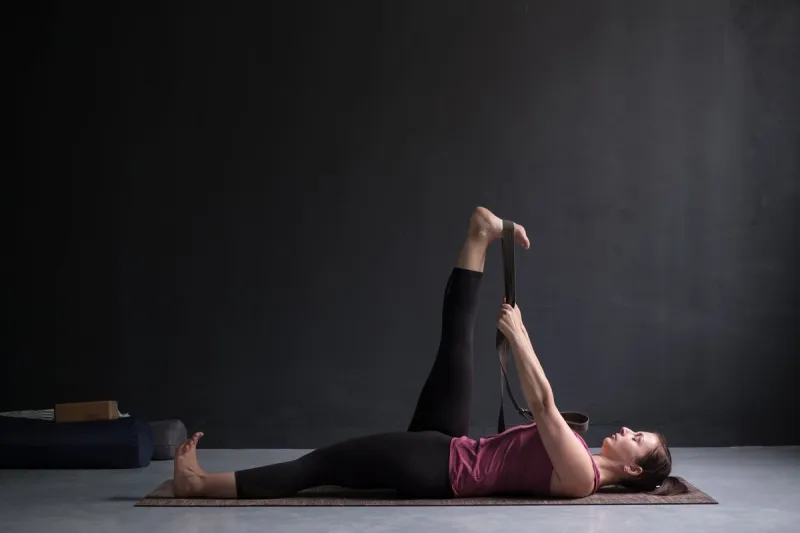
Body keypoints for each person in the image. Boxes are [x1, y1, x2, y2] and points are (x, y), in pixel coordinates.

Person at [171, 206, 688, 499]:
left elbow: (546, 407)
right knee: (455, 342)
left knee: (320, 465)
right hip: (454, 446)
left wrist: (520, 337)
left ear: (637, 470)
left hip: (440, 466)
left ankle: (199, 485)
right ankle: (481, 235)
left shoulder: (583, 478)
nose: (627, 430)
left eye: (637, 439)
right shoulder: (585, 458)